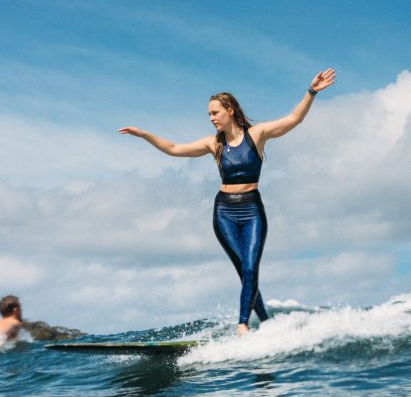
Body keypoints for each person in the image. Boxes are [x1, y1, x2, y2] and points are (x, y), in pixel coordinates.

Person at [118, 69, 336, 335]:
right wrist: (144, 135)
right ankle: (265, 324)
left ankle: (243, 324)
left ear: (230, 110)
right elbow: (174, 149)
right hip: (224, 213)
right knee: (245, 271)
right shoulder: (214, 144)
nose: (211, 118)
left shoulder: (258, 134)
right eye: (209, 114)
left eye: (215, 113)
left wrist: (311, 91)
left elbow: (294, 119)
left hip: (253, 209)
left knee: (250, 267)